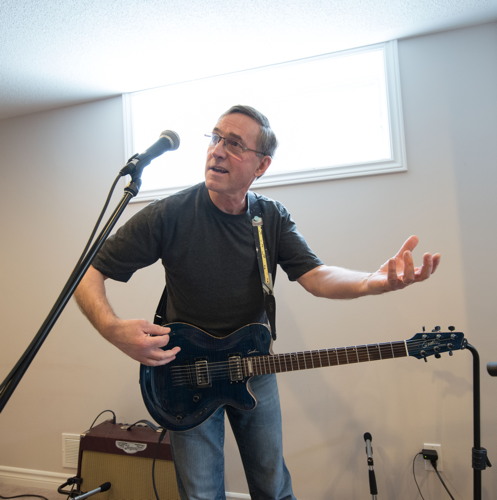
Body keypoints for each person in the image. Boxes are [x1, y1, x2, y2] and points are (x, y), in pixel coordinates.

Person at [74, 104, 441, 500]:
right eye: (215, 138)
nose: (217, 150)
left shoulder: (270, 217)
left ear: (261, 166)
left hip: (255, 364)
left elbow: (316, 276)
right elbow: (87, 273)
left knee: (272, 486)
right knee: (200, 493)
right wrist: (112, 330)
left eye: (233, 144)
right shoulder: (169, 214)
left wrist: (371, 281)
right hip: (186, 371)